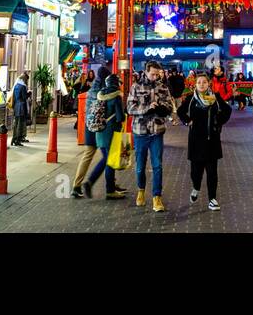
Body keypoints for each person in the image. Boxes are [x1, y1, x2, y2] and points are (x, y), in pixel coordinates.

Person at [178, 70, 233, 211]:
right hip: (196, 141)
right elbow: (180, 112)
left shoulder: (215, 97)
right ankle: (196, 188)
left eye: (204, 82)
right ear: (195, 84)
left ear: (209, 83)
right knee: (196, 172)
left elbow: (227, 110)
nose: (202, 84)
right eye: (199, 82)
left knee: (212, 172)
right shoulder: (191, 99)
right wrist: (187, 121)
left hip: (212, 140)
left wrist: (218, 121)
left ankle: (212, 199)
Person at [127, 61, 175, 212]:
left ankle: (157, 197)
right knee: (140, 167)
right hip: (140, 131)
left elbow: (169, 106)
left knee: (157, 166)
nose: (155, 77)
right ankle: (141, 191)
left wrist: (162, 108)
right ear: (146, 71)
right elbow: (130, 108)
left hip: (157, 131)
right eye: (153, 74)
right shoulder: (135, 86)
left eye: (157, 74)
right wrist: (147, 108)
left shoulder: (163, 87)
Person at [78, 73, 128, 199]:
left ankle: (105, 186)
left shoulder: (100, 94)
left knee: (107, 159)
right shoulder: (116, 96)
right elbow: (120, 117)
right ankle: (106, 189)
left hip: (99, 132)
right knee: (110, 162)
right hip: (111, 133)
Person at [10, 72, 31, 146]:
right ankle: (17, 140)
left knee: (16, 124)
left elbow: (15, 97)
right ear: (25, 79)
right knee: (20, 124)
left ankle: (13, 139)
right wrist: (29, 93)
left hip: (16, 107)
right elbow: (24, 97)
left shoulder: (16, 85)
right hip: (22, 107)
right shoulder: (23, 86)